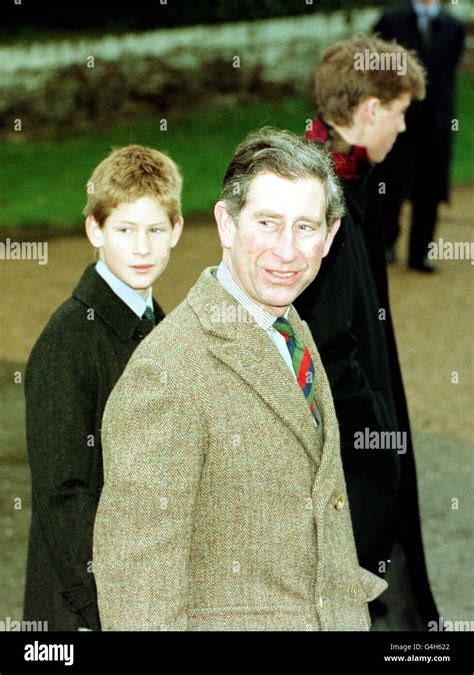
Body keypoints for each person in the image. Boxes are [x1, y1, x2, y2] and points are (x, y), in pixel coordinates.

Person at [92, 127, 388, 632]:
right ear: (226, 224)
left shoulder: (293, 330)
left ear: (330, 236)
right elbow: (138, 590)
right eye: (267, 223)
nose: (287, 251)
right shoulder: (167, 374)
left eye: (305, 227)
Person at [295, 35, 439, 629]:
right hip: (353, 473)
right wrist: (377, 429)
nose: (404, 128)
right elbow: (325, 344)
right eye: (400, 112)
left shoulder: (350, 184)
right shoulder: (319, 201)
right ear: (371, 110)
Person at [23, 144, 183, 631]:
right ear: (95, 230)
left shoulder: (166, 329)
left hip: (155, 592)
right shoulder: (66, 344)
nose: (142, 248)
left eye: (156, 230)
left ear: (176, 230)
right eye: (125, 230)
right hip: (85, 610)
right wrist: (106, 610)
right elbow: (63, 495)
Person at [373, 0, 465, 271]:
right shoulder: (391, 19)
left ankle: (420, 252)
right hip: (398, 120)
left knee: (431, 186)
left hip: (437, 123)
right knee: (391, 183)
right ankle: (386, 243)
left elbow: (450, 69)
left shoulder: (453, 26)